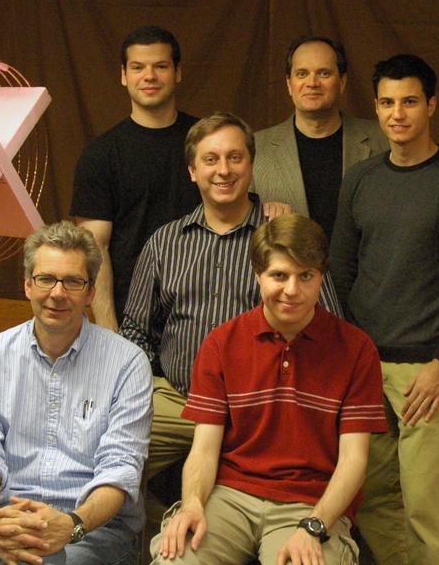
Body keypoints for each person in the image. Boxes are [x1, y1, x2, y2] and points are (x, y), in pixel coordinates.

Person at [118, 113, 343, 539]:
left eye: (235, 157)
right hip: (176, 400)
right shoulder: (165, 242)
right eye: (211, 159)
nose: (224, 170)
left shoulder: (284, 238)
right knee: (109, 461)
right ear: (193, 170)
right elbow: (135, 330)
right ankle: (159, 534)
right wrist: (143, 384)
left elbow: (329, 329)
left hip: (259, 409)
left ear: (251, 165)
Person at [330, 54, 439, 565]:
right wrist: (349, 354)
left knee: (425, 505)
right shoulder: (360, 180)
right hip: (363, 364)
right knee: (375, 497)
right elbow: (340, 274)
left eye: (409, 102)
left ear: (431, 105)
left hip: (427, 368)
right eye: (386, 102)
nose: (397, 113)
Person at [151, 213, 388, 565]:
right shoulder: (221, 343)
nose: (292, 290)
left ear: (321, 277)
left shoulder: (356, 349)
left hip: (311, 502)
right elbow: (203, 450)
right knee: (178, 558)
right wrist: (192, 505)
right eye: (279, 275)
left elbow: (354, 460)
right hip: (230, 496)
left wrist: (314, 525)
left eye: (305, 276)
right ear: (258, 274)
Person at [0, 220, 153, 565]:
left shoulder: (127, 364)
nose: (57, 293)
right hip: (7, 516)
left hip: (91, 527)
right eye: (46, 279)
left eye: (73, 281)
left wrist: (71, 525)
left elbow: (120, 469)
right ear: (28, 285)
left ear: (90, 292)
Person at [251, 35, 439, 241]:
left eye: (324, 73)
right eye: (302, 74)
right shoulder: (254, 149)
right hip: (289, 285)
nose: (312, 82)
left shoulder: (387, 137)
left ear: (342, 82)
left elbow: (430, 170)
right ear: (289, 84)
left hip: (366, 284)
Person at [71, 25, 200, 332]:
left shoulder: (208, 143)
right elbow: (95, 249)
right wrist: (110, 334)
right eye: (138, 67)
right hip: (133, 320)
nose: (150, 76)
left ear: (178, 72)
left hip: (204, 313)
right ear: (124, 75)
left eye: (161, 66)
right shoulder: (99, 156)